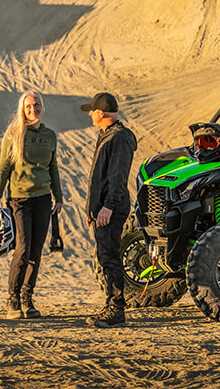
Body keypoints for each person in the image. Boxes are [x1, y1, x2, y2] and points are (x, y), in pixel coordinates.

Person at [0, 91, 65, 319]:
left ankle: (27, 298)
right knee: (22, 249)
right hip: (19, 199)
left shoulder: (50, 135)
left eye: (37, 104)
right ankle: (13, 300)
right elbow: (3, 167)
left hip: (43, 198)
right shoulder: (14, 134)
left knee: (36, 251)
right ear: (22, 108)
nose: (34, 108)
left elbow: (53, 167)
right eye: (29, 105)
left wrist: (58, 196)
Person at [81, 92, 137, 328]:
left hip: (110, 208)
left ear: (101, 113)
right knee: (105, 256)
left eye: (92, 111)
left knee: (109, 257)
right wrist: (91, 209)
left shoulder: (119, 138)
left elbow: (117, 177)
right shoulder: (107, 135)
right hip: (102, 208)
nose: (90, 115)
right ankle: (111, 305)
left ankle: (116, 309)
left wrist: (107, 207)